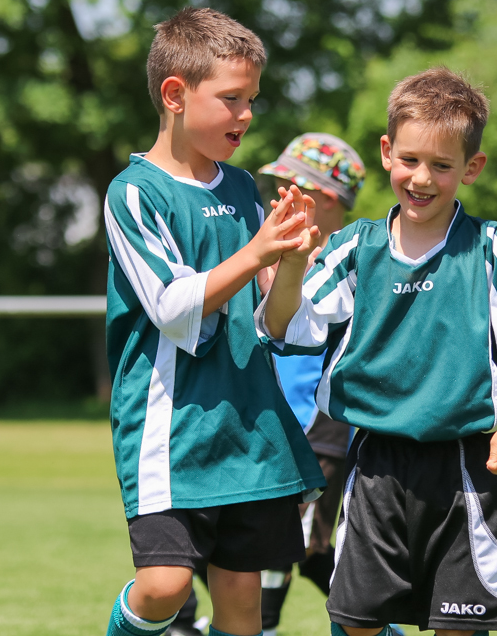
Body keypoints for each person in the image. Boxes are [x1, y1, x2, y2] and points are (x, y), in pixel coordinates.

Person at [257, 67, 497, 636]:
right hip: (374, 467)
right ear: (388, 153)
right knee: (356, 621)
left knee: (458, 628)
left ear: (472, 167)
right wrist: (292, 267)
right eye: (411, 160)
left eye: (442, 166)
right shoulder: (352, 248)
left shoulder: (490, 247)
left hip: (470, 468)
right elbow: (286, 328)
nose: (422, 178)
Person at [102, 6, 325, 636]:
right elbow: (173, 309)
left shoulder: (243, 188)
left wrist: (290, 266)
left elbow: (272, 322)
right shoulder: (134, 192)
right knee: (165, 587)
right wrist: (257, 251)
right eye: (231, 98)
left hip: (249, 424)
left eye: (253, 98)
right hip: (171, 430)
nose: (247, 114)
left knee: (240, 595)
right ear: (175, 94)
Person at [166, 133, 366, 636]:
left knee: (305, 552)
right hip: (273, 425)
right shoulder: (275, 258)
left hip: (316, 430)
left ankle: (260, 625)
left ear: (321, 198)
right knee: (288, 548)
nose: (273, 199)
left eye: (285, 188)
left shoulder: (346, 263)